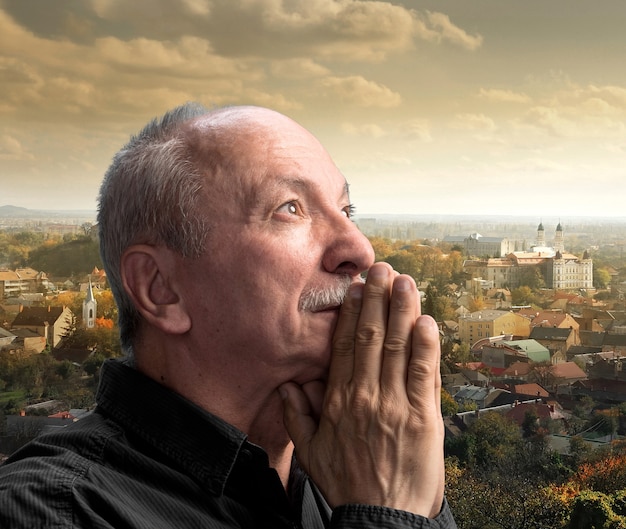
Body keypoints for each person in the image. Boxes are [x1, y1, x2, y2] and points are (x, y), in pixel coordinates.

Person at [0, 103, 457, 528]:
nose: (358, 248)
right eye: (289, 209)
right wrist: (388, 514)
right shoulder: (51, 510)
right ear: (161, 289)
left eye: (345, 209)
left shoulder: (346, 469)